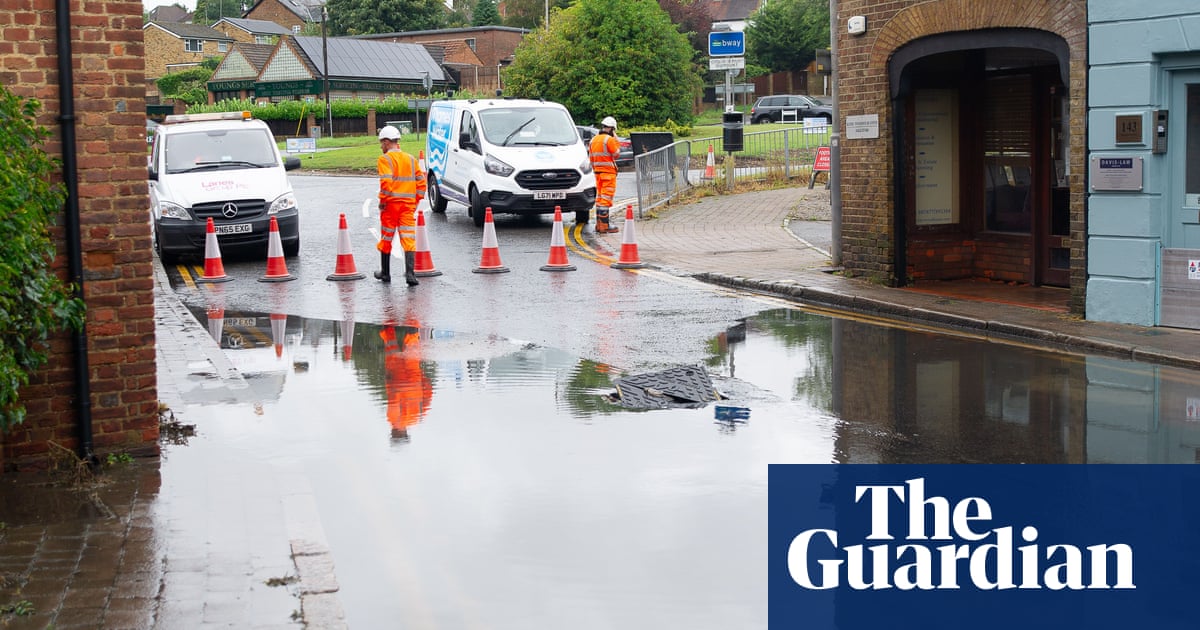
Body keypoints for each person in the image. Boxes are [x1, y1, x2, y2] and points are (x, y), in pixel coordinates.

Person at [375, 125, 426, 285]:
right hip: (407, 207)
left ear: (387, 141)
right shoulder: (411, 159)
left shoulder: (385, 159)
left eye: (382, 143)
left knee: (386, 238)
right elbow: (421, 183)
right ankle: (410, 275)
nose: (381, 146)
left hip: (390, 206)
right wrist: (414, 202)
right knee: (408, 238)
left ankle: (385, 273)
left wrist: (382, 202)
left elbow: (386, 183)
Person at [588, 116, 621, 233]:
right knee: (606, 199)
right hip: (608, 173)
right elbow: (617, 154)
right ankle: (604, 226)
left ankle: (599, 224)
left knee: (600, 199)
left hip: (597, 174)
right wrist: (616, 139)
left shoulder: (593, 140)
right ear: (612, 129)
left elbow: (591, 158)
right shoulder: (609, 140)